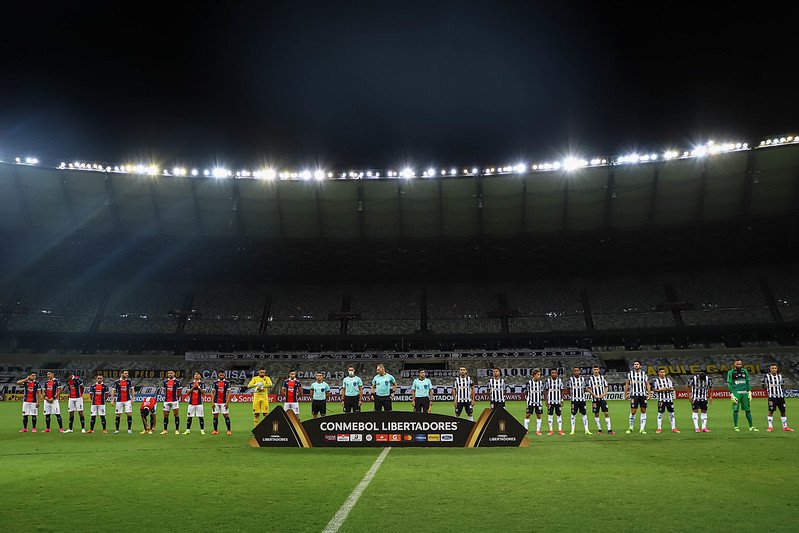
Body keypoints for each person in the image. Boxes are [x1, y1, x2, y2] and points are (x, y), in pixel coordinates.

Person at [727, 359, 757, 432]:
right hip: (736, 393)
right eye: (737, 364)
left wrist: (749, 392)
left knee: (748, 410)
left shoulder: (745, 371)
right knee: (736, 410)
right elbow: (729, 384)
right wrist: (731, 394)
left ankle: (751, 426)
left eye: (740, 364)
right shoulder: (731, 372)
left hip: (744, 393)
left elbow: (747, 382)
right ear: (734, 364)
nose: (739, 365)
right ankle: (736, 426)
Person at [763, 364, 793, 432]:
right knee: (771, 411)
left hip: (780, 397)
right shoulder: (767, 376)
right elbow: (763, 384)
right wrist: (768, 390)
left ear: (777, 369)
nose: (774, 369)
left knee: (783, 411)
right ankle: (770, 427)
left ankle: (785, 427)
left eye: (775, 368)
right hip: (772, 397)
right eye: (772, 368)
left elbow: (782, 385)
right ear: (770, 369)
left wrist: (780, 392)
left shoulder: (780, 376)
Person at [624, 360, 651, 435]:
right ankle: (631, 427)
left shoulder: (644, 374)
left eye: (637, 364)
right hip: (634, 395)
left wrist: (649, 394)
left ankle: (642, 429)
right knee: (633, 411)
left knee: (643, 411)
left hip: (643, 395)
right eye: (635, 364)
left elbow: (647, 384)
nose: (636, 365)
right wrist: (625, 394)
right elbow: (627, 384)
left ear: (640, 366)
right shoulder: (630, 374)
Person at [588, 365, 614, 434]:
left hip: (603, 398)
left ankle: (609, 430)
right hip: (594, 399)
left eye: (597, 369)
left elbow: (606, 387)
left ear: (599, 370)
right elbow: (589, 389)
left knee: (606, 413)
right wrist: (594, 395)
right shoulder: (591, 379)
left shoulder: (602, 378)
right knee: (596, 414)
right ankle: (599, 429)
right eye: (595, 369)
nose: (596, 371)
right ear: (593, 370)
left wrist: (604, 394)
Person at [652, 369, 679, 434]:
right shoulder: (656, 381)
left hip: (669, 400)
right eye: (661, 372)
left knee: (672, 414)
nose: (663, 373)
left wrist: (667, 389)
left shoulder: (668, 380)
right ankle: (659, 428)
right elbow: (655, 390)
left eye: (664, 372)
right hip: (661, 400)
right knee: (660, 414)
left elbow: (672, 388)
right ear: (658, 373)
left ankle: (673, 428)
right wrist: (661, 390)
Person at [568, 367, 591, 435]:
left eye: (577, 371)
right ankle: (572, 430)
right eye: (575, 371)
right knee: (573, 414)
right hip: (574, 400)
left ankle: (586, 430)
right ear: (573, 372)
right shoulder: (571, 379)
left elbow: (585, 388)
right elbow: (569, 389)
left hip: (582, 400)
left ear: (579, 371)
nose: (576, 372)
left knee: (584, 414)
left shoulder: (583, 379)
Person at [111, 370, 135, 434]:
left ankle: (129, 429)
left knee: (129, 414)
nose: (127, 374)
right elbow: (113, 390)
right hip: (119, 400)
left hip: (127, 400)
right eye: (125, 373)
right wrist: (112, 399)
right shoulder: (117, 382)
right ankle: (117, 429)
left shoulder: (129, 381)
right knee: (118, 415)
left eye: (127, 373)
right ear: (122, 374)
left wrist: (133, 398)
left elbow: (132, 389)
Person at [544, 368, 565, 436]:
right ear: (550, 374)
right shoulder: (548, 381)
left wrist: (562, 400)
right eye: (552, 373)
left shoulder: (560, 381)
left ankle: (560, 430)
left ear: (557, 374)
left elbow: (561, 391)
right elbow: (546, 391)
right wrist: (546, 400)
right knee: (550, 415)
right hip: (550, 401)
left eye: (555, 373)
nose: (553, 374)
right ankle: (551, 430)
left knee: (559, 415)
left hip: (558, 401)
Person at [160, 370, 182, 435]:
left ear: (174, 374)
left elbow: (179, 391)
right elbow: (164, 391)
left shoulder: (177, 382)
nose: (170, 374)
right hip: (166, 401)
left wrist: (177, 398)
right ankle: (165, 430)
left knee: (176, 415)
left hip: (174, 400)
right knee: (165, 415)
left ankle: (177, 429)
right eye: (169, 373)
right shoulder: (165, 382)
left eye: (171, 373)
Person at [211, 370, 232, 435]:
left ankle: (228, 430)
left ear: (224, 375)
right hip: (216, 402)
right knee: (215, 415)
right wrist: (212, 402)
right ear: (218, 375)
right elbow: (212, 392)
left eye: (222, 375)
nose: (221, 376)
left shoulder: (227, 383)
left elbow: (229, 393)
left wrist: (227, 402)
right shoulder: (215, 383)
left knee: (225, 415)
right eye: (220, 375)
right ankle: (215, 430)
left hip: (224, 402)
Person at [524, 369, 545, 435]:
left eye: (540, 375)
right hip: (530, 402)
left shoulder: (541, 383)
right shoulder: (529, 383)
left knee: (539, 415)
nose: (539, 376)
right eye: (538, 374)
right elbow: (526, 392)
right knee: (528, 415)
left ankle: (538, 431)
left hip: (538, 402)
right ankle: (525, 430)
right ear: (534, 375)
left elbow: (542, 392)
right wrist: (528, 399)